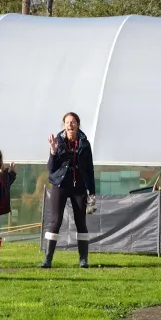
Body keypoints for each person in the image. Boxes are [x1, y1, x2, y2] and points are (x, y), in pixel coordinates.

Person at [42, 111, 96, 268]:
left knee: (81, 222)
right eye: (67, 122)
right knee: (55, 221)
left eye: (73, 122)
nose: (70, 124)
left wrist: (91, 192)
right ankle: (48, 259)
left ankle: (83, 259)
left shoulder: (85, 144)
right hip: (60, 185)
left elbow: (89, 169)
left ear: (78, 124)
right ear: (64, 125)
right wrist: (53, 151)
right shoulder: (58, 142)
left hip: (79, 187)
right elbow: (51, 169)